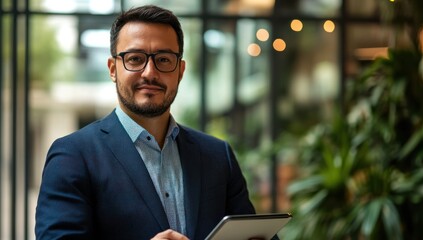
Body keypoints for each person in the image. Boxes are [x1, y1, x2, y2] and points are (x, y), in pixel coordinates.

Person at [35, 5, 258, 240]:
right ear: (113, 69)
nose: (150, 73)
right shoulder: (73, 155)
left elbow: (253, 234)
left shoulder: (217, 156)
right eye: (135, 59)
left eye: (163, 59)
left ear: (180, 71)